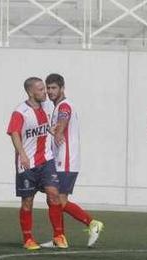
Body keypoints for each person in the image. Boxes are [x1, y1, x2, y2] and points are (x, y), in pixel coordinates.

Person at [44, 73, 105, 248]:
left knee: (59, 200)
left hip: (67, 160)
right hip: (58, 160)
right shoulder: (56, 107)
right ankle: (58, 238)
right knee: (52, 199)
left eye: (54, 88)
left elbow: (64, 118)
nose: (50, 91)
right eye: (48, 88)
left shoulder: (64, 106)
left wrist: (58, 131)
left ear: (62, 88)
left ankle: (93, 223)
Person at [7, 77, 66, 250]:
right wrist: (23, 155)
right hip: (28, 163)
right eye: (40, 89)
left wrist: (51, 130)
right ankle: (28, 239)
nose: (45, 92)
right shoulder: (20, 111)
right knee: (27, 201)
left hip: (46, 159)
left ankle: (58, 236)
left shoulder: (47, 106)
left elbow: (45, 125)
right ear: (31, 92)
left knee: (54, 194)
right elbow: (14, 133)